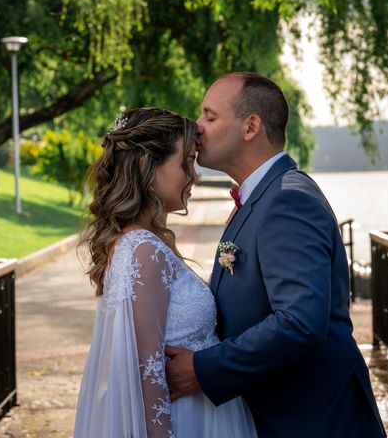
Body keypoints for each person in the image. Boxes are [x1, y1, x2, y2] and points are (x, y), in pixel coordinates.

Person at [165, 73, 387, 437]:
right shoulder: (260, 198)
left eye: (210, 116)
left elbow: (300, 320)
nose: (197, 128)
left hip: (315, 422)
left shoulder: (287, 199)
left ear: (250, 126)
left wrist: (204, 369)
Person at [73, 108, 257, 437]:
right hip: (185, 422)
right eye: (185, 163)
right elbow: (146, 372)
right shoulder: (143, 250)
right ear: (146, 165)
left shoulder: (147, 244)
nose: (194, 177)